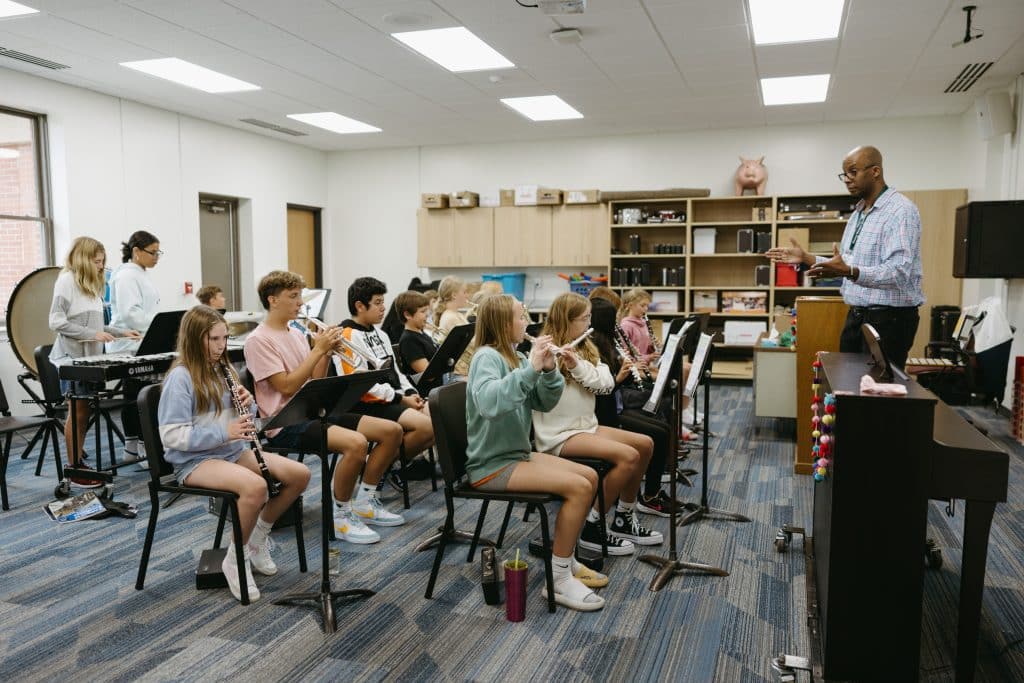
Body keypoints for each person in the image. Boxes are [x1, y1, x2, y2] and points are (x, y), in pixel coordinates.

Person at [158, 305, 310, 603]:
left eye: (224, 338)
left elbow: (244, 422)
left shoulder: (223, 369)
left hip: (230, 451)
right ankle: (235, 557)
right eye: (214, 339)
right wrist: (224, 432)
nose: (221, 346)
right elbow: (171, 436)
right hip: (194, 461)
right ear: (193, 339)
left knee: (298, 475)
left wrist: (249, 404)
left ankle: (256, 539)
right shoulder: (181, 378)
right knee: (256, 487)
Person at [244, 271, 405, 545]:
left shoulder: (295, 333)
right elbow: (285, 386)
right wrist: (318, 350)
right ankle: (340, 517)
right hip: (284, 421)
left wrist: (326, 352)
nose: (300, 303)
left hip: (312, 410)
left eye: (300, 296)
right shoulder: (259, 340)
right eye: (293, 296)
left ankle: (365, 501)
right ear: (272, 300)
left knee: (392, 431)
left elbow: (314, 381)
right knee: (356, 444)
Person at [466, 294, 606, 610]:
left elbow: (543, 402)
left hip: (515, 455)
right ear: (504, 324)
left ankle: (565, 561)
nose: (527, 322)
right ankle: (557, 580)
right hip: (491, 464)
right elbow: (490, 404)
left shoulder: (514, 358)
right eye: (520, 316)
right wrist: (530, 370)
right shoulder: (486, 358)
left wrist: (548, 371)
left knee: (589, 475)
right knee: (580, 486)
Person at [766, 145, 923, 368]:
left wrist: (851, 272)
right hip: (857, 316)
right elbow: (846, 263)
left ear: (875, 171)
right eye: (844, 174)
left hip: (889, 320)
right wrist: (807, 258)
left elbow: (899, 272)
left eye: (853, 172)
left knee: (877, 395)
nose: (847, 179)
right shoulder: (858, 212)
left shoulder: (901, 211)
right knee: (848, 389)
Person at [534, 292, 662, 555]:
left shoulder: (586, 347)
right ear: (565, 321)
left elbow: (605, 384)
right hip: (559, 435)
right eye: (583, 319)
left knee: (646, 444)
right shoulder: (541, 351)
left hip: (586, 426)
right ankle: (594, 526)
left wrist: (576, 364)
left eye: (590, 317)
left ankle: (623, 518)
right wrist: (555, 363)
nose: (588, 323)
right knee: (628, 456)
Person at [48, 237, 140, 486]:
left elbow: (97, 327)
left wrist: (121, 332)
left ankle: (78, 462)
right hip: (72, 359)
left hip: (90, 360)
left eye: (102, 262)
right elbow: (56, 321)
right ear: (83, 259)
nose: (101, 267)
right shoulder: (67, 280)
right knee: (76, 413)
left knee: (83, 412)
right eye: (97, 262)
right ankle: (75, 468)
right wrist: (93, 334)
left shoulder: (91, 287)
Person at [589, 298, 681, 517]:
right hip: (606, 412)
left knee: (661, 427)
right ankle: (649, 497)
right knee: (658, 432)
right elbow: (602, 388)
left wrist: (629, 370)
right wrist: (621, 376)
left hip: (614, 402)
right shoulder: (595, 345)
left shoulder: (608, 341)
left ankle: (653, 491)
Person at [337, 277, 435, 465]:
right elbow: (360, 387)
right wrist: (400, 399)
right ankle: (377, 466)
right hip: (366, 405)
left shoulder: (381, 334)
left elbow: (396, 373)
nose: (383, 308)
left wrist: (410, 393)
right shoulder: (347, 334)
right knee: (426, 428)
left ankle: (382, 465)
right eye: (377, 303)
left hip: (392, 398)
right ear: (359, 306)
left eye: (383, 302)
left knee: (436, 419)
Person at [108, 230, 162, 461]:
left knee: (138, 393)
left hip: (140, 341)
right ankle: (140, 445)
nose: (157, 257)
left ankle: (136, 446)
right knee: (137, 394)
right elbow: (132, 314)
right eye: (153, 252)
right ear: (137, 252)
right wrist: (159, 326)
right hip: (129, 343)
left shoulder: (138, 273)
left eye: (159, 252)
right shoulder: (127, 276)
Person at [434, 276, 475, 379]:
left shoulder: (457, 315)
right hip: (458, 374)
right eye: (464, 292)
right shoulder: (450, 317)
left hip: (464, 371)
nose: (467, 295)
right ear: (454, 295)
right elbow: (472, 343)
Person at [395, 290, 438, 376]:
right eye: (423, 311)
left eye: (427, 311)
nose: (427, 314)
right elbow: (429, 375)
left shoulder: (421, 333)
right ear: (407, 315)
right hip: (429, 388)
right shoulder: (409, 340)